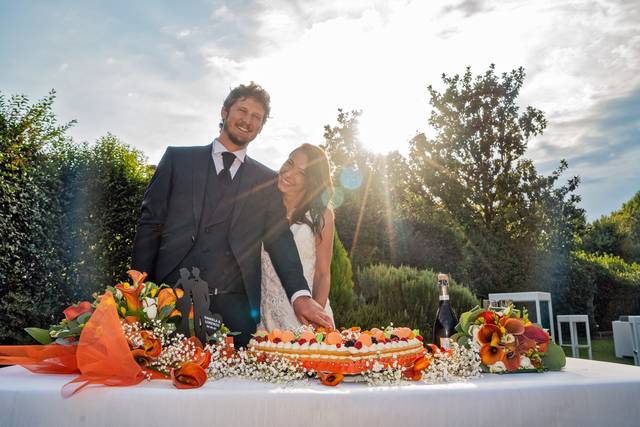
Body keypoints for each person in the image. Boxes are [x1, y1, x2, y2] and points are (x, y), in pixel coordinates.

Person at [131, 82, 332, 347]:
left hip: (236, 313)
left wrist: (301, 296)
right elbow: (150, 226)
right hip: (170, 300)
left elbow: (279, 240)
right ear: (224, 112)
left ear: (260, 128)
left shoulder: (267, 181)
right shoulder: (177, 160)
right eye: (242, 110)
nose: (247, 120)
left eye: (256, 117)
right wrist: (137, 290)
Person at [260, 144, 335, 331]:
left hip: (303, 317)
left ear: (311, 180)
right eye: (290, 163)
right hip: (264, 315)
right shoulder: (262, 209)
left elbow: (322, 273)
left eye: (301, 173)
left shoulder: (321, 216)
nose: (288, 173)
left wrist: (314, 324)